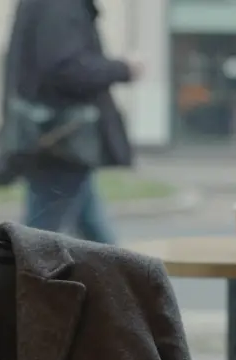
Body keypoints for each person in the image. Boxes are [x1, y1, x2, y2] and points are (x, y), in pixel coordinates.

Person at [9, 0, 141, 244]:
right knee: (37, 242)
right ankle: (117, 268)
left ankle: (118, 268)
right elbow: (65, 69)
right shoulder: (60, 6)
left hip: (58, 140)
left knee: (94, 234)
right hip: (62, 140)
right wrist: (123, 69)